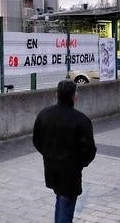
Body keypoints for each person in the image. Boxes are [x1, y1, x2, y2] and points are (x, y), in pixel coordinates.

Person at [33, 80, 96, 223]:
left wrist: (49, 154)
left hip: (51, 169)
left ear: (56, 94)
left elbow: (36, 140)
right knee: (65, 206)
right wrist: (79, 164)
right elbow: (89, 151)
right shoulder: (81, 120)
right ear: (75, 97)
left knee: (61, 200)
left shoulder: (44, 114)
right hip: (70, 173)